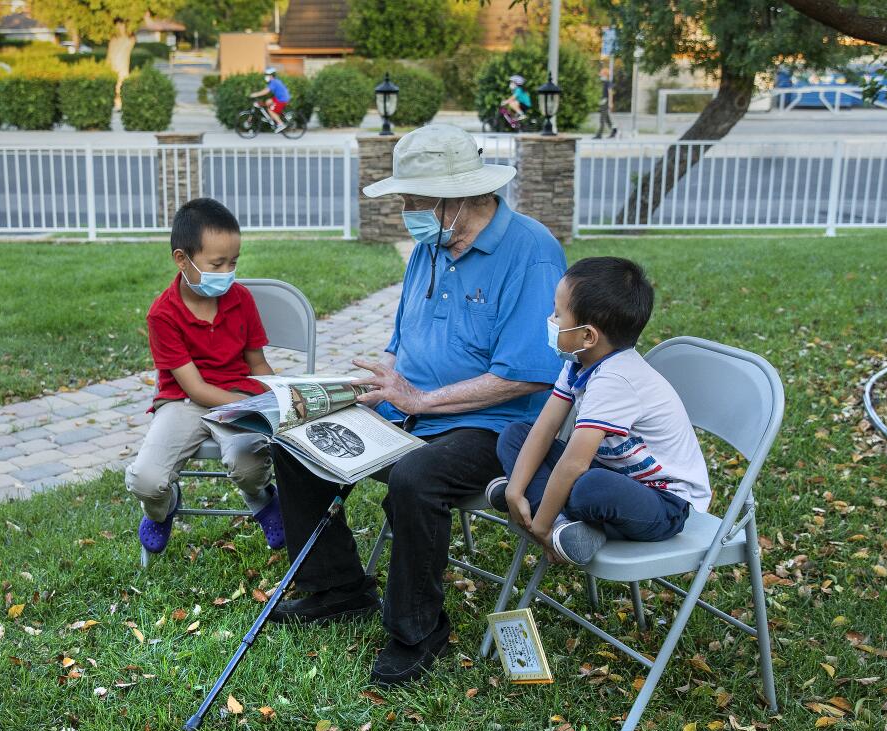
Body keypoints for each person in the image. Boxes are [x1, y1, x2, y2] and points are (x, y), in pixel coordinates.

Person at [265, 124, 566, 686]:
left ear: (461, 197)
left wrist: (421, 398)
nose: (405, 210)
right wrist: (381, 381)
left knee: (414, 479)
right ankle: (336, 589)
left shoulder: (532, 252)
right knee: (296, 441)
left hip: (497, 425)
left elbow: (528, 375)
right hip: (409, 407)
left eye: (415, 199)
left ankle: (417, 630)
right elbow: (403, 340)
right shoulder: (431, 246)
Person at [485, 257, 711, 566]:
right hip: (607, 473)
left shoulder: (615, 380)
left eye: (558, 313)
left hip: (662, 503)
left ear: (587, 336)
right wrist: (515, 489)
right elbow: (545, 427)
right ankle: (556, 520)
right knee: (516, 434)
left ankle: (549, 517)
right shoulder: (580, 361)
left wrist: (541, 527)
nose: (550, 319)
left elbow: (575, 463)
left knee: (590, 488)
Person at [125, 198, 286, 555]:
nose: (228, 272)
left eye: (233, 262)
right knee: (147, 481)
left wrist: (276, 396)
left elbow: (257, 363)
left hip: (238, 395)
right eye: (217, 263)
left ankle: (260, 499)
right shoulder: (163, 314)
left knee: (249, 464)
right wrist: (247, 403)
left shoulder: (240, 299)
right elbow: (195, 388)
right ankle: (162, 508)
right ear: (183, 259)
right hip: (185, 402)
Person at [250, 67, 291, 133]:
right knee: (268, 102)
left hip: (282, 99)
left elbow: (266, 91)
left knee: (270, 110)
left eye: (266, 75)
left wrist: (255, 94)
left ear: (271, 75)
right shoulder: (274, 81)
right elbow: (267, 90)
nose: (265, 77)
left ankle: (281, 124)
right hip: (279, 98)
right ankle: (272, 118)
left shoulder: (273, 82)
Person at [595, 66, 618, 139]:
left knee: (602, 119)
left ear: (605, 74)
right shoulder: (603, 83)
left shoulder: (608, 82)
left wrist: (610, 103)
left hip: (606, 102)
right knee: (607, 118)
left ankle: (599, 134)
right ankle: (614, 130)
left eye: (602, 74)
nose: (600, 75)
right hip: (602, 102)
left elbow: (610, 92)